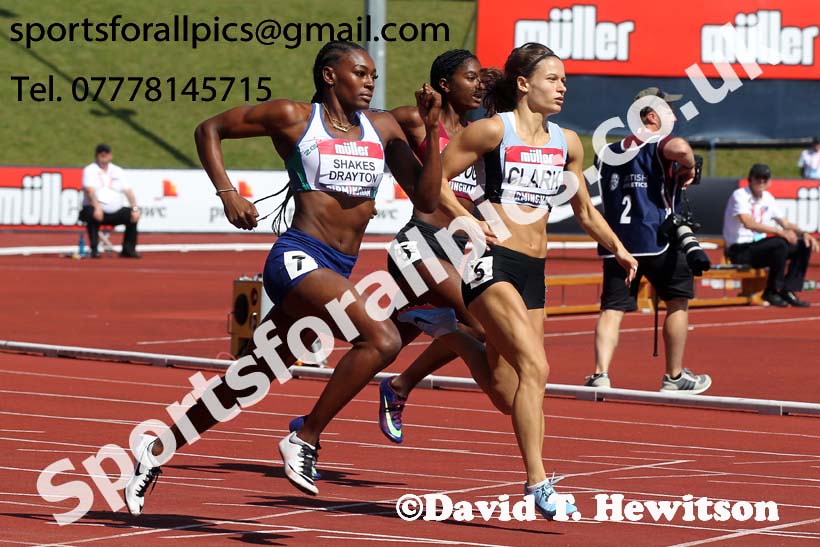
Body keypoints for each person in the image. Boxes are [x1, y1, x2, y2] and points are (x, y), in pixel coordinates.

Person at [123, 40, 443, 515]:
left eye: (373, 74)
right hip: (297, 258)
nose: (370, 81)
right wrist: (227, 192)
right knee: (382, 339)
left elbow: (428, 197)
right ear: (330, 76)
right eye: (360, 72)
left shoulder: (382, 127)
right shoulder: (294, 117)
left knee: (249, 376)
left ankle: (155, 451)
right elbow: (208, 128)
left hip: (337, 268)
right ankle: (305, 437)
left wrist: (432, 130)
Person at [434, 42, 639, 520]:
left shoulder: (567, 142)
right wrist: (466, 219)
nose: (563, 87)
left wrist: (619, 247)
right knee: (539, 370)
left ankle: (454, 337)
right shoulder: (491, 131)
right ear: (524, 84)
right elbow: (433, 180)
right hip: (492, 262)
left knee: (511, 396)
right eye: (553, 79)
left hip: (534, 272)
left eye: (565, 80)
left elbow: (585, 210)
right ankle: (538, 484)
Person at [378, 50, 513, 445]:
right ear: (443, 85)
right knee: (483, 324)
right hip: (419, 242)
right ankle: (425, 321)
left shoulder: (477, 134)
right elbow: (368, 121)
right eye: (468, 78)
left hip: (461, 247)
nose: (476, 85)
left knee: (475, 333)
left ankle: (400, 386)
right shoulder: (415, 120)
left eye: (478, 79)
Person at [584, 87, 713, 395]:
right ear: (652, 116)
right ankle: (674, 376)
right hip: (658, 237)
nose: (675, 115)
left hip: (618, 243)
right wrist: (691, 166)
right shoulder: (659, 142)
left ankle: (600, 374)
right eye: (669, 110)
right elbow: (681, 148)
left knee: (612, 309)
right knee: (677, 302)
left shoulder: (608, 151)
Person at [723, 163, 818, 307]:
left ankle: (788, 290)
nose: (761, 181)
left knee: (802, 245)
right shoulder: (740, 195)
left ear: (769, 181)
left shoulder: (767, 197)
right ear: (750, 179)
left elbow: (785, 223)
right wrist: (780, 232)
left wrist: (805, 233)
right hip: (739, 249)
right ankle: (772, 290)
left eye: (765, 178)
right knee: (779, 243)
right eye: (758, 178)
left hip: (757, 247)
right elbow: (748, 223)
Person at [77, 144, 141, 258]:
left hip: (115, 211)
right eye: (101, 153)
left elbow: (129, 192)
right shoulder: (90, 170)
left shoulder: (117, 171)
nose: (103, 155)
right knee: (91, 213)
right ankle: (94, 249)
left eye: (106, 153)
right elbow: (89, 190)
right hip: (96, 209)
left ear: (110, 155)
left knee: (132, 215)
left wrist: (135, 209)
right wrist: (97, 207)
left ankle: (128, 249)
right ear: (96, 156)